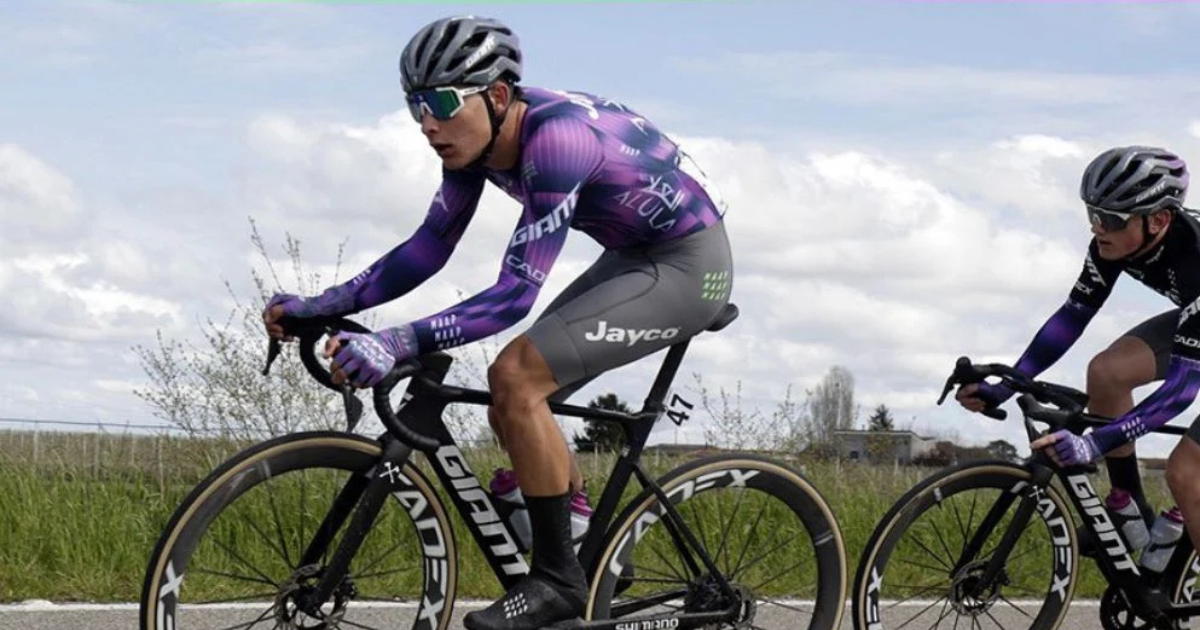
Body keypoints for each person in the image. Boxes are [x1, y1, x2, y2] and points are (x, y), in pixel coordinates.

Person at [262, 15, 734, 630]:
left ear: (499, 95)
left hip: (690, 268)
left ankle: (559, 581)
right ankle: (583, 546)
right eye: (415, 106)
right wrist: (323, 305)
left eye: (441, 103)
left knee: (516, 375)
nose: (427, 123)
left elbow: (514, 295)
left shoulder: (557, 142)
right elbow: (428, 248)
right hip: (631, 255)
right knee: (510, 403)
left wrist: (396, 341)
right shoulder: (472, 145)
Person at [955, 145, 1200, 555]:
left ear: (1158, 219)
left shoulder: (1195, 257)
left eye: (1110, 219)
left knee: (1187, 470)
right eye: (1092, 214)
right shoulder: (1114, 244)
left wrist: (1093, 444)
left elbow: (1181, 391)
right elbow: (1072, 317)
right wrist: (1007, 386)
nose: (1097, 227)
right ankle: (1130, 514)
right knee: (1107, 372)